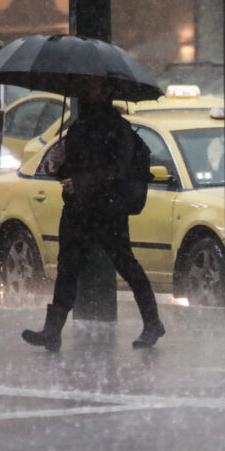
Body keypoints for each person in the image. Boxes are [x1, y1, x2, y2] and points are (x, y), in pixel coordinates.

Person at [21, 84, 164, 351]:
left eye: (92, 85)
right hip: (78, 210)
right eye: (84, 84)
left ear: (107, 91)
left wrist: (82, 182)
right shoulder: (78, 126)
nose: (86, 91)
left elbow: (117, 171)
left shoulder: (118, 129)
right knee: (67, 269)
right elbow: (71, 170)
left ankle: (153, 322)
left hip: (108, 211)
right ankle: (53, 331)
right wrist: (59, 163)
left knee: (126, 265)